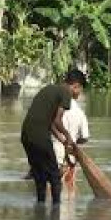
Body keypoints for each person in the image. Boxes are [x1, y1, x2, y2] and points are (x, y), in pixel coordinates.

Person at [21, 69, 87, 205]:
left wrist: (63, 140)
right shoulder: (66, 94)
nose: (79, 93)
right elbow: (57, 120)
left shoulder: (50, 89)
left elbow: (50, 123)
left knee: (40, 176)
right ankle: (55, 213)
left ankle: (39, 211)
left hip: (26, 135)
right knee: (55, 177)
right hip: (39, 135)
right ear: (75, 85)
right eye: (80, 90)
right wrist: (68, 135)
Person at [52, 96, 90, 194]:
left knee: (50, 186)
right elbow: (85, 137)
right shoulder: (81, 114)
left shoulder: (54, 111)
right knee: (69, 187)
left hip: (54, 151)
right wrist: (75, 142)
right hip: (71, 154)